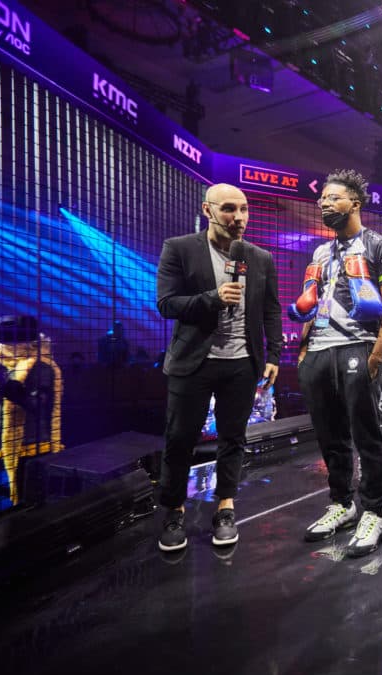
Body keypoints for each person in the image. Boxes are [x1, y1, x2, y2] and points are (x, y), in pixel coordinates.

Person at [155, 183, 283, 551]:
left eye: (244, 209)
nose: (238, 217)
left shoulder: (260, 257)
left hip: (242, 363)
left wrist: (273, 355)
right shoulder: (179, 248)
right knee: (180, 440)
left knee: (233, 438)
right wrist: (212, 298)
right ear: (207, 210)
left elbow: (272, 310)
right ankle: (174, 510)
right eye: (229, 209)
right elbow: (166, 303)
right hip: (193, 362)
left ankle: (225, 507)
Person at [291, 169, 382, 558]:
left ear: (354, 203)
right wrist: (304, 350)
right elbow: (314, 302)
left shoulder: (378, 244)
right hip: (320, 350)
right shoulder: (321, 252)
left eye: (332, 197)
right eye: (321, 198)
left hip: (358, 345)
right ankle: (342, 503)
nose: (323, 203)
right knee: (329, 434)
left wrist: (377, 354)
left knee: (365, 433)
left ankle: (374, 511)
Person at [0, 315, 63, 505]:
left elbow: (37, 406)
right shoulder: (14, 366)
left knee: (31, 500)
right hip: (17, 444)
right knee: (20, 495)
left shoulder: (40, 367)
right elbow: (1, 396)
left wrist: (1, 383)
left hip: (34, 445)